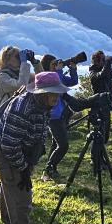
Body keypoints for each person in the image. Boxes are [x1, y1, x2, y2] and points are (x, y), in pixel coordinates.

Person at [0, 72, 67, 224]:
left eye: (57, 94)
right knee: (22, 195)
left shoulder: (43, 105)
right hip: (4, 149)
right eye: (52, 94)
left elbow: (39, 130)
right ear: (40, 93)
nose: (55, 98)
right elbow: (9, 145)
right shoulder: (22, 107)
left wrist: (33, 156)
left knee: (10, 189)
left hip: (18, 149)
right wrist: (23, 169)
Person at [38, 54, 79, 182]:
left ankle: (51, 170)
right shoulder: (45, 77)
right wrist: (60, 70)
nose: (56, 66)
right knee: (63, 145)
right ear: (46, 66)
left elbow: (73, 82)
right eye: (53, 64)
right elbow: (56, 85)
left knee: (56, 144)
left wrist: (73, 69)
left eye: (57, 63)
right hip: (53, 117)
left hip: (61, 115)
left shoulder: (57, 75)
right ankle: (47, 170)